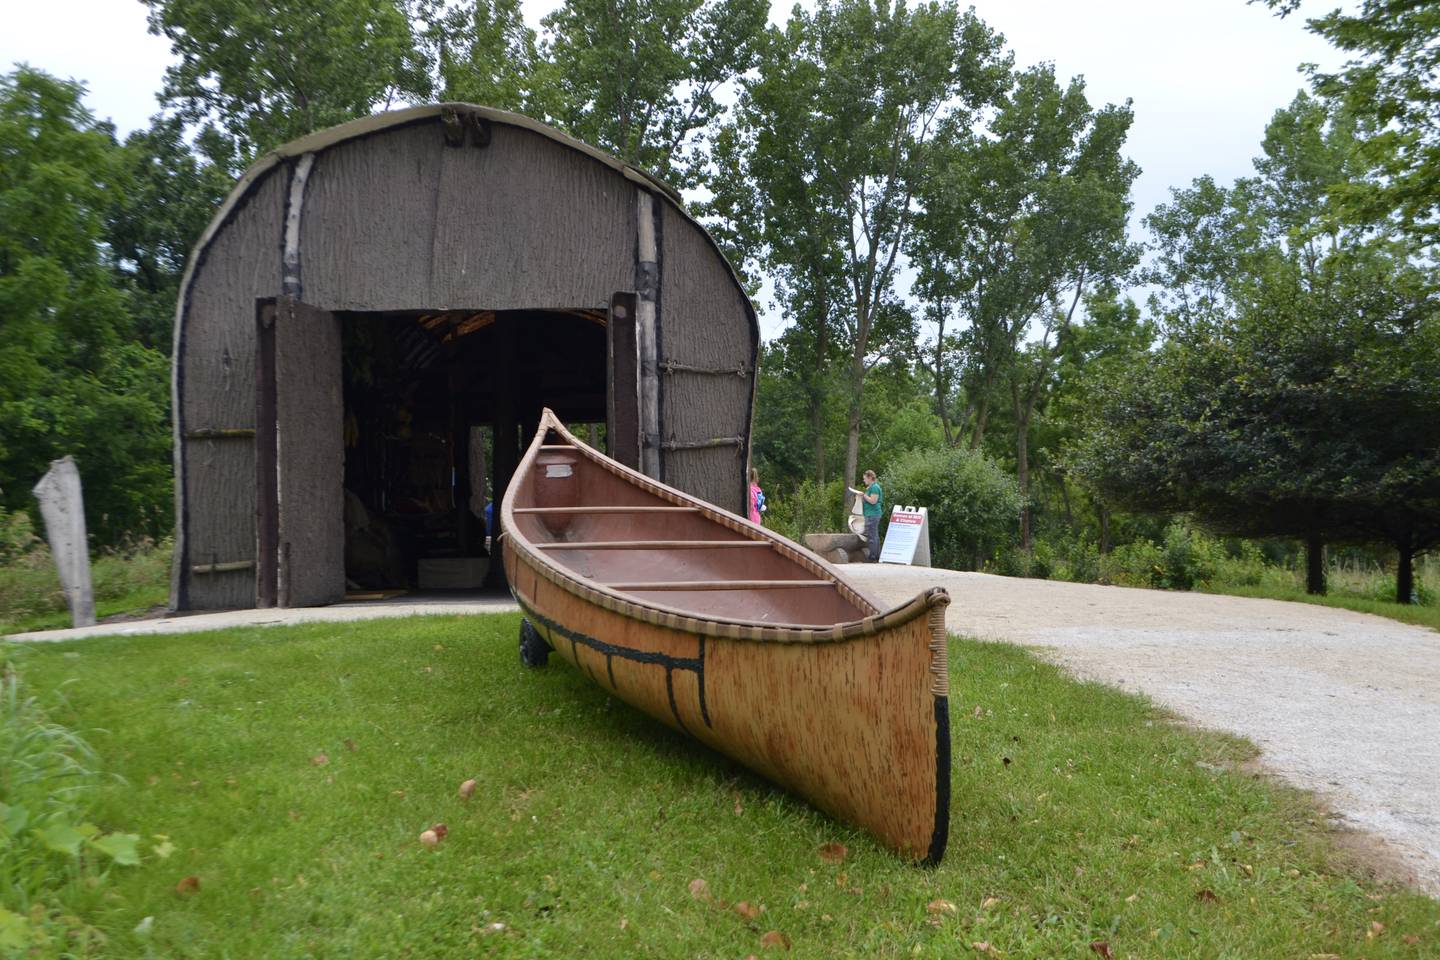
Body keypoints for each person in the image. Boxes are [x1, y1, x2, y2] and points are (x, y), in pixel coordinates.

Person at [860, 469, 883, 561]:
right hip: (870, 514)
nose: (864, 480)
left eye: (865, 478)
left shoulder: (875, 487)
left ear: (870, 478)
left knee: (872, 536)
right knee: (874, 535)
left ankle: (872, 557)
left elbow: (873, 501)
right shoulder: (871, 488)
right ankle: (876, 556)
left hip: (873, 514)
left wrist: (863, 495)